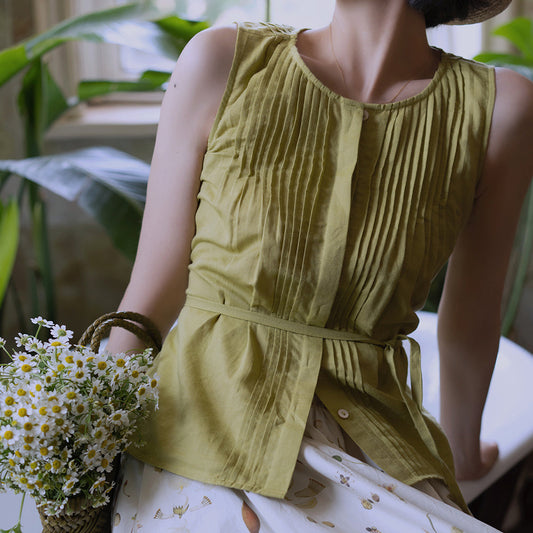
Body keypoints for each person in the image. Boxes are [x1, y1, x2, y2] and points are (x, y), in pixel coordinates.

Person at [109, 0, 533, 531]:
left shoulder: (499, 108)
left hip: (376, 449)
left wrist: (463, 457)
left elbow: (472, 313)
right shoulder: (222, 61)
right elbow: (151, 292)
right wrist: (88, 431)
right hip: (198, 437)